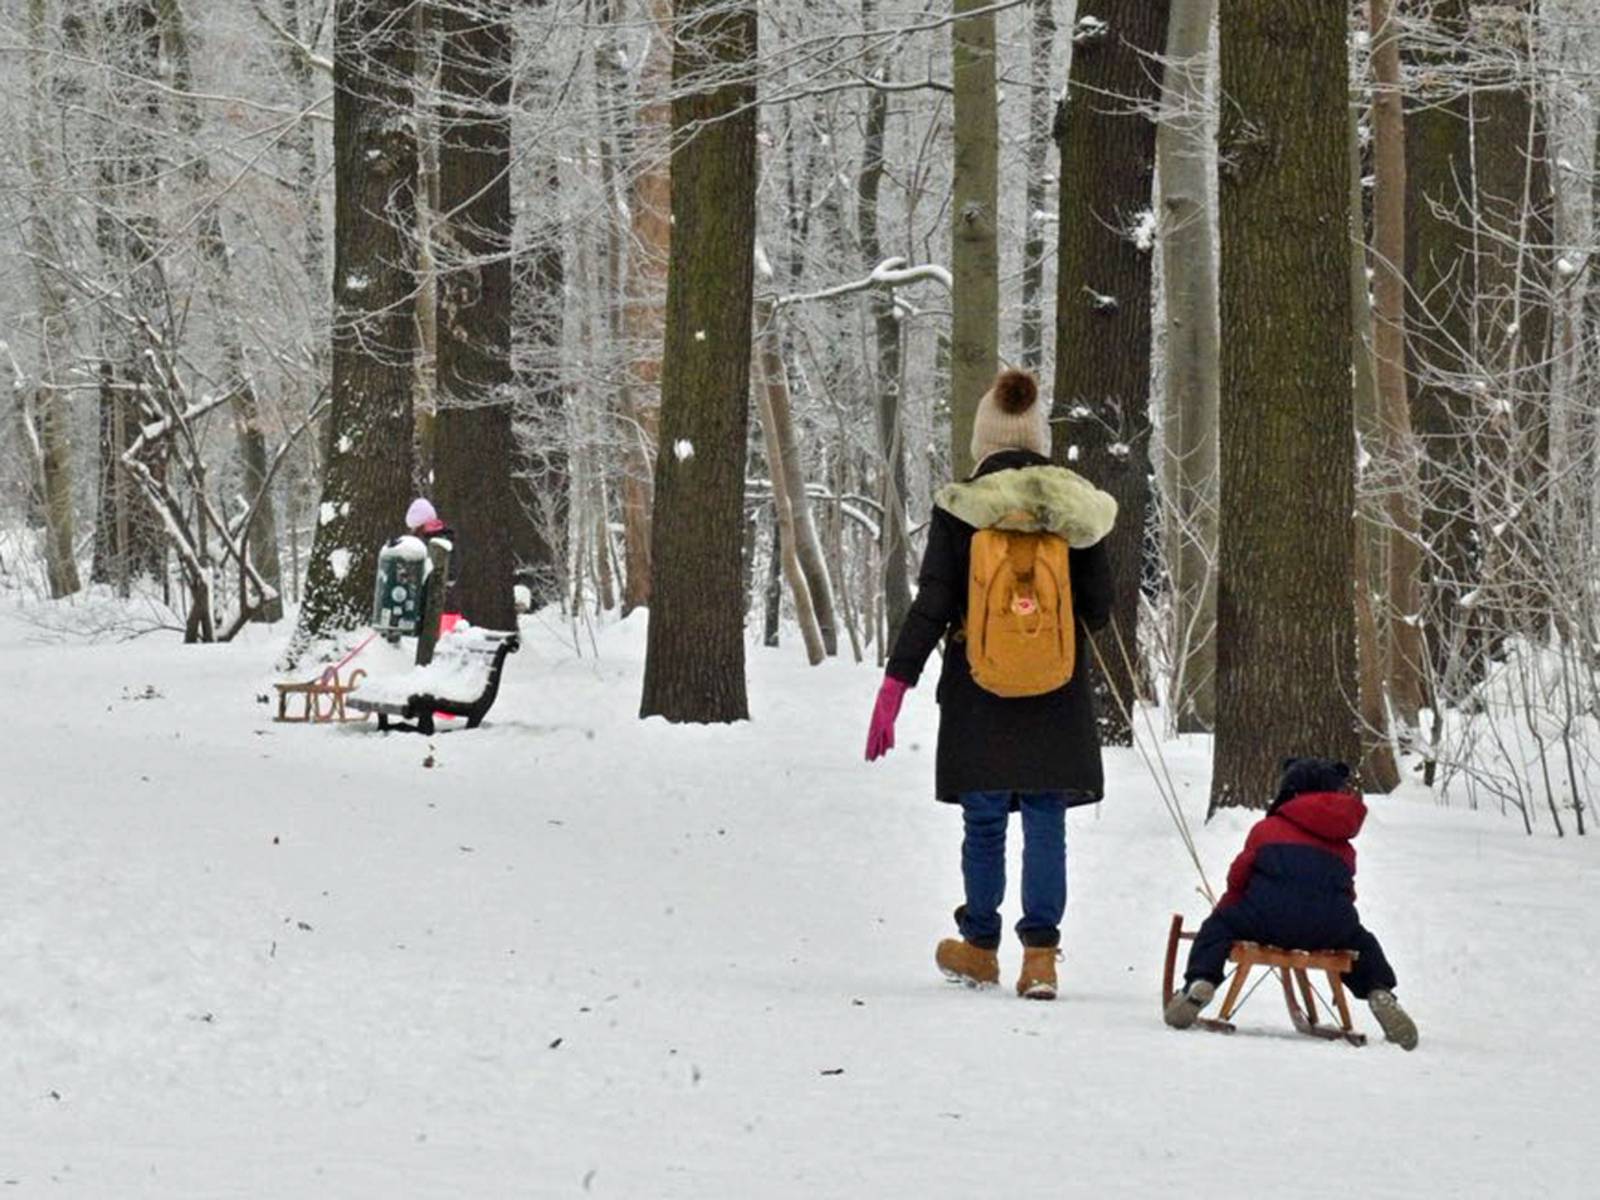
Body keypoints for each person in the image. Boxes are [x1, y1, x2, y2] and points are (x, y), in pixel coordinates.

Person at [865, 368, 1116, 1001]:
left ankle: (979, 947)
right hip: (1055, 689)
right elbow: (1100, 607)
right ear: (1038, 439)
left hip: (978, 686)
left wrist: (897, 684)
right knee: (1044, 816)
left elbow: (934, 604)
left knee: (984, 822)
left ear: (984, 441)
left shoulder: (960, 509)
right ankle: (1040, 958)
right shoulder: (1072, 510)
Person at [1163, 757, 1419, 1050]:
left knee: (1216, 928)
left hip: (1264, 920)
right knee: (1363, 943)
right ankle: (1379, 990)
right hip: (1328, 927)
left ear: (1289, 791)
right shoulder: (1343, 845)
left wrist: (1227, 907)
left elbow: (1239, 876)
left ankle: (1200, 982)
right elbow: (1347, 892)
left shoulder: (1267, 829)